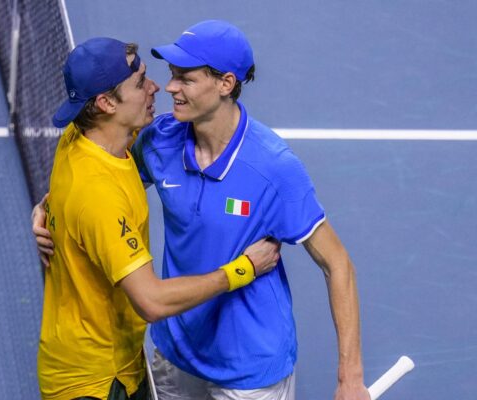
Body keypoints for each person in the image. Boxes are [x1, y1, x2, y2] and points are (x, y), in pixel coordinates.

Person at [34, 21, 370, 400]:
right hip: (175, 356)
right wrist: (50, 209)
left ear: (226, 84)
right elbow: (96, 182)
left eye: (185, 78)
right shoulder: (158, 142)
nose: (169, 87)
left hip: (248, 371)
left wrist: (350, 378)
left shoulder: (273, 169)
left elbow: (337, 263)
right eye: (172, 74)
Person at [36, 37, 280, 400]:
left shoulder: (80, 136)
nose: (156, 88)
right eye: (139, 84)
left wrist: (46, 210)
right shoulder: (99, 196)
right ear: (104, 103)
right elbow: (151, 301)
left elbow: (72, 198)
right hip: (95, 384)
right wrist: (242, 269)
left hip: (116, 362)